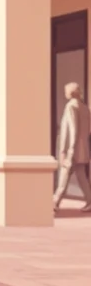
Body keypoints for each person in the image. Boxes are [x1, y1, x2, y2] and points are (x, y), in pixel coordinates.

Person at [54, 82, 91, 212]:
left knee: (64, 175)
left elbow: (73, 129)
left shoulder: (71, 107)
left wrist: (69, 151)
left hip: (72, 150)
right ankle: (89, 201)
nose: (65, 92)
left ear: (70, 92)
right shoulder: (84, 107)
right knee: (82, 178)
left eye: (66, 90)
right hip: (82, 150)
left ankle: (55, 202)